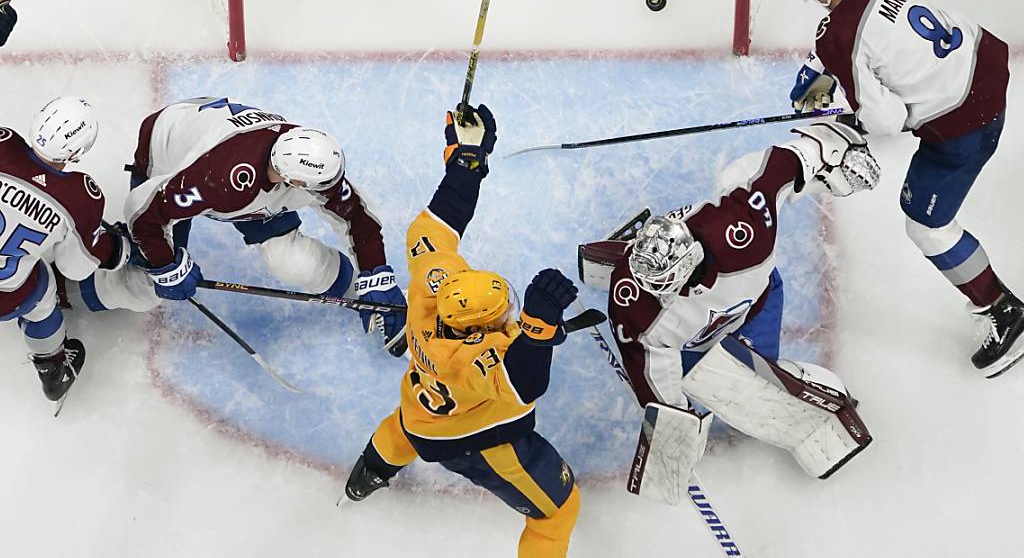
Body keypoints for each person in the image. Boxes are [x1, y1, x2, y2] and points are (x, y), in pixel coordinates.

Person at [579, 123, 878, 487]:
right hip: (697, 338)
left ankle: (832, 399)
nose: (655, 292)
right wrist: (675, 425)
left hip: (759, 303)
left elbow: (779, 167)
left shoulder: (742, 229)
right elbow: (649, 373)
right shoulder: (634, 304)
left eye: (664, 284)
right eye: (651, 284)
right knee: (713, 378)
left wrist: (836, 149)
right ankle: (623, 252)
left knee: (762, 380)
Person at [343, 104, 581, 558]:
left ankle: (366, 477)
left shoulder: (433, 290)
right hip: (477, 440)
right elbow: (524, 383)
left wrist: (466, 157)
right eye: (503, 316)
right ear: (483, 327)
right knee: (558, 513)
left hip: (421, 410)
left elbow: (440, 223)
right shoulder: (479, 359)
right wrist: (538, 328)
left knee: (402, 428)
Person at [790, 0, 1021, 378]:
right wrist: (828, 64)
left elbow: (888, 119)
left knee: (926, 223)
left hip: (965, 123)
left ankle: (1003, 309)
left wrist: (853, 114)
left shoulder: (837, 37)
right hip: (986, 68)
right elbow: (871, 30)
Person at [110, 97, 405, 355]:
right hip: (169, 151)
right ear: (294, 181)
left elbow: (355, 215)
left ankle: (354, 293)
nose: (328, 192)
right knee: (149, 282)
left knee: (294, 262)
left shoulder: (309, 157)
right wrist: (164, 266)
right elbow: (143, 212)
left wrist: (374, 273)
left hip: (243, 177)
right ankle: (85, 291)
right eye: (318, 188)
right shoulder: (217, 180)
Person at [0, 97, 130, 402]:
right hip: (6, 295)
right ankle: (53, 369)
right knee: (41, 293)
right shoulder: (79, 196)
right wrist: (114, 249)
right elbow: (76, 266)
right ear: (76, 151)